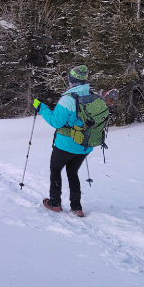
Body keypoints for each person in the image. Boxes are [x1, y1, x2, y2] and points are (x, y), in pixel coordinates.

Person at [33, 65, 94, 217]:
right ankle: (76, 207)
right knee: (72, 172)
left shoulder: (68, 99)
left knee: (55, 170)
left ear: (71, 79)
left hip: (66, 144)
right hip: (84, 146)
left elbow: (56, 122)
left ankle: (55, 203)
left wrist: (41, 108)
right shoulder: (92, 95)